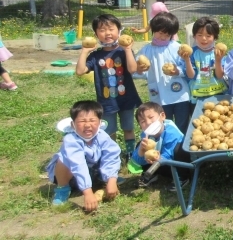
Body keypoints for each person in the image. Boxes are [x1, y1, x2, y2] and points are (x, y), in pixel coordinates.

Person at [75, 14, 141, 154]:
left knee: (128, 128)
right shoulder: (95, 56)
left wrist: (128, 50)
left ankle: (130, 155)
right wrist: (84, 51)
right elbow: (80, 71)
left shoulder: (123, 52)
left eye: (111, 29)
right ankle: (113, 155)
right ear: (96, 34)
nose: (107, 33)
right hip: (107, 101)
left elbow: (132, 69)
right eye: (102, 30)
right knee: (110, 131)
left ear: (119, 31)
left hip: (127, 99)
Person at [46, 100, 121, 211]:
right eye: (82, 121)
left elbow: (111, 156)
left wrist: (111, 179)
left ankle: (104, 180)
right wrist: (88, 192)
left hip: (93, 174)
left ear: (100, 123)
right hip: (72, 177)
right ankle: (63, 189)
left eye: (92, 120)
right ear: (73, 124)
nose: (87, 125)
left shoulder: (102, 136)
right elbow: (78, 165)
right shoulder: (71, 140)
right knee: (62, 160)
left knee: (108, 157)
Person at [132, 12, 191, 133]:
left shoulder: (176, 48)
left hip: (180, 95)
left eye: (167, 34)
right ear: (153, 30)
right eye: (160, 32)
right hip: (159, 95)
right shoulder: (146, 50)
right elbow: (136, 71)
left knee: (182, 125)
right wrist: (139, 69)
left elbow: (186, 68)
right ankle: (166, 148)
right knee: (163, 125)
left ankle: (181, 151)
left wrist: (177, 71)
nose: (163, 36)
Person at [130, 102, 190, 191]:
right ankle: (151, 174)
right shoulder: (146, 135)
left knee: (179, 148)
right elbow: (136, 160)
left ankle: (181, 178)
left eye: (151, 117)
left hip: (174, 164)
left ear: (162, 116)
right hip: (158, 164)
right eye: (143, 121)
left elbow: (168, 155)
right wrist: (141, 152)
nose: (148, 122)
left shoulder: (171, 132)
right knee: (141, 145)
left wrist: (158, 159)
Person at [181, 16, 228, 103]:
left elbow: (219, 76)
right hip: (198, 96)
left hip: (218, 95)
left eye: (208, 35)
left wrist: (218, 60)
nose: (204, 39)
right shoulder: (191, 53)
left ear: (215, 37)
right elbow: (191, 76)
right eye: (200, 35)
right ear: (194, 36)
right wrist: (187, 60)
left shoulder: (218, 52)